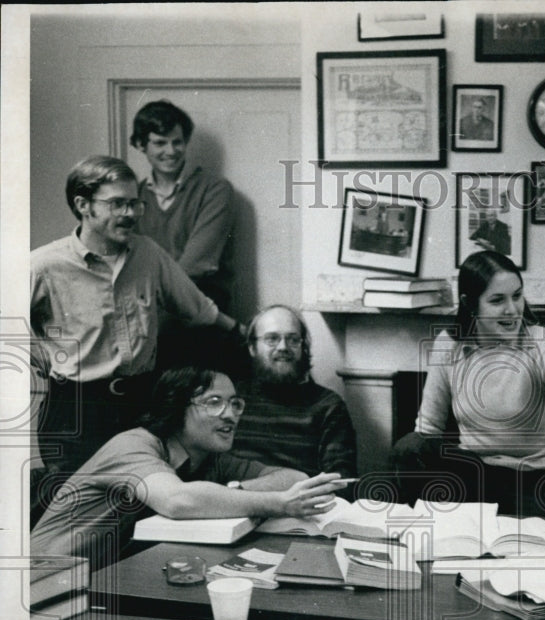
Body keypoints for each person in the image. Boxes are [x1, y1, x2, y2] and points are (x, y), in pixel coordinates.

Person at [391, 250, 545, 516]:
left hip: (540, 480)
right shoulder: (449, 344)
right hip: (477, 474)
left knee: (538, 526)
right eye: (497, 300)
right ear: (469, 303)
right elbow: (427, 429)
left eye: (517, 295)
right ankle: (413, 533)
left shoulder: (540, 341)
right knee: (410, 447)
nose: (512, 310)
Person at [30, 155, 242, 476]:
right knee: (81, 514)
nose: (130, 214)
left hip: (141, 406)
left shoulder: (148, 254)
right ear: (83, 205)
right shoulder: (43, 266)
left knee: (142, 508)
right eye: (118, 204)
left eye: (135, 204)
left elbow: (198, 309)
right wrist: (37, 355)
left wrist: (243, 333)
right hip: (75, 412)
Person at [31, 366, 347, 570]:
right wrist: (279, 503)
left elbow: (293, 478)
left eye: (235, 403)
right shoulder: (132, 445)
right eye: (214, 402)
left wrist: (233, 491)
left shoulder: (208, 458)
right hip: (40, 586)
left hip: (99, 583)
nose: (231, 415)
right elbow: (178, 500)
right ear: (176, 407)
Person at [230, 305, 357, 484]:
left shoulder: (328, 406)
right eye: (272, 339)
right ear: (252, 347)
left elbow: (342, 482)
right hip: (234, 505)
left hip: (302, 506)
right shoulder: (232, 399)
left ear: (303, 347)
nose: (283, 347)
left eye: (293, 339)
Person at [130, 100, 235, 309]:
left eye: (177, 142)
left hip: (201, 311)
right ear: (141, 145)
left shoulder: (215, 190)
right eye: (160, 143)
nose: (171, 151)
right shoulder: (134, 196)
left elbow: (197, 264)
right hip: (149, 311)